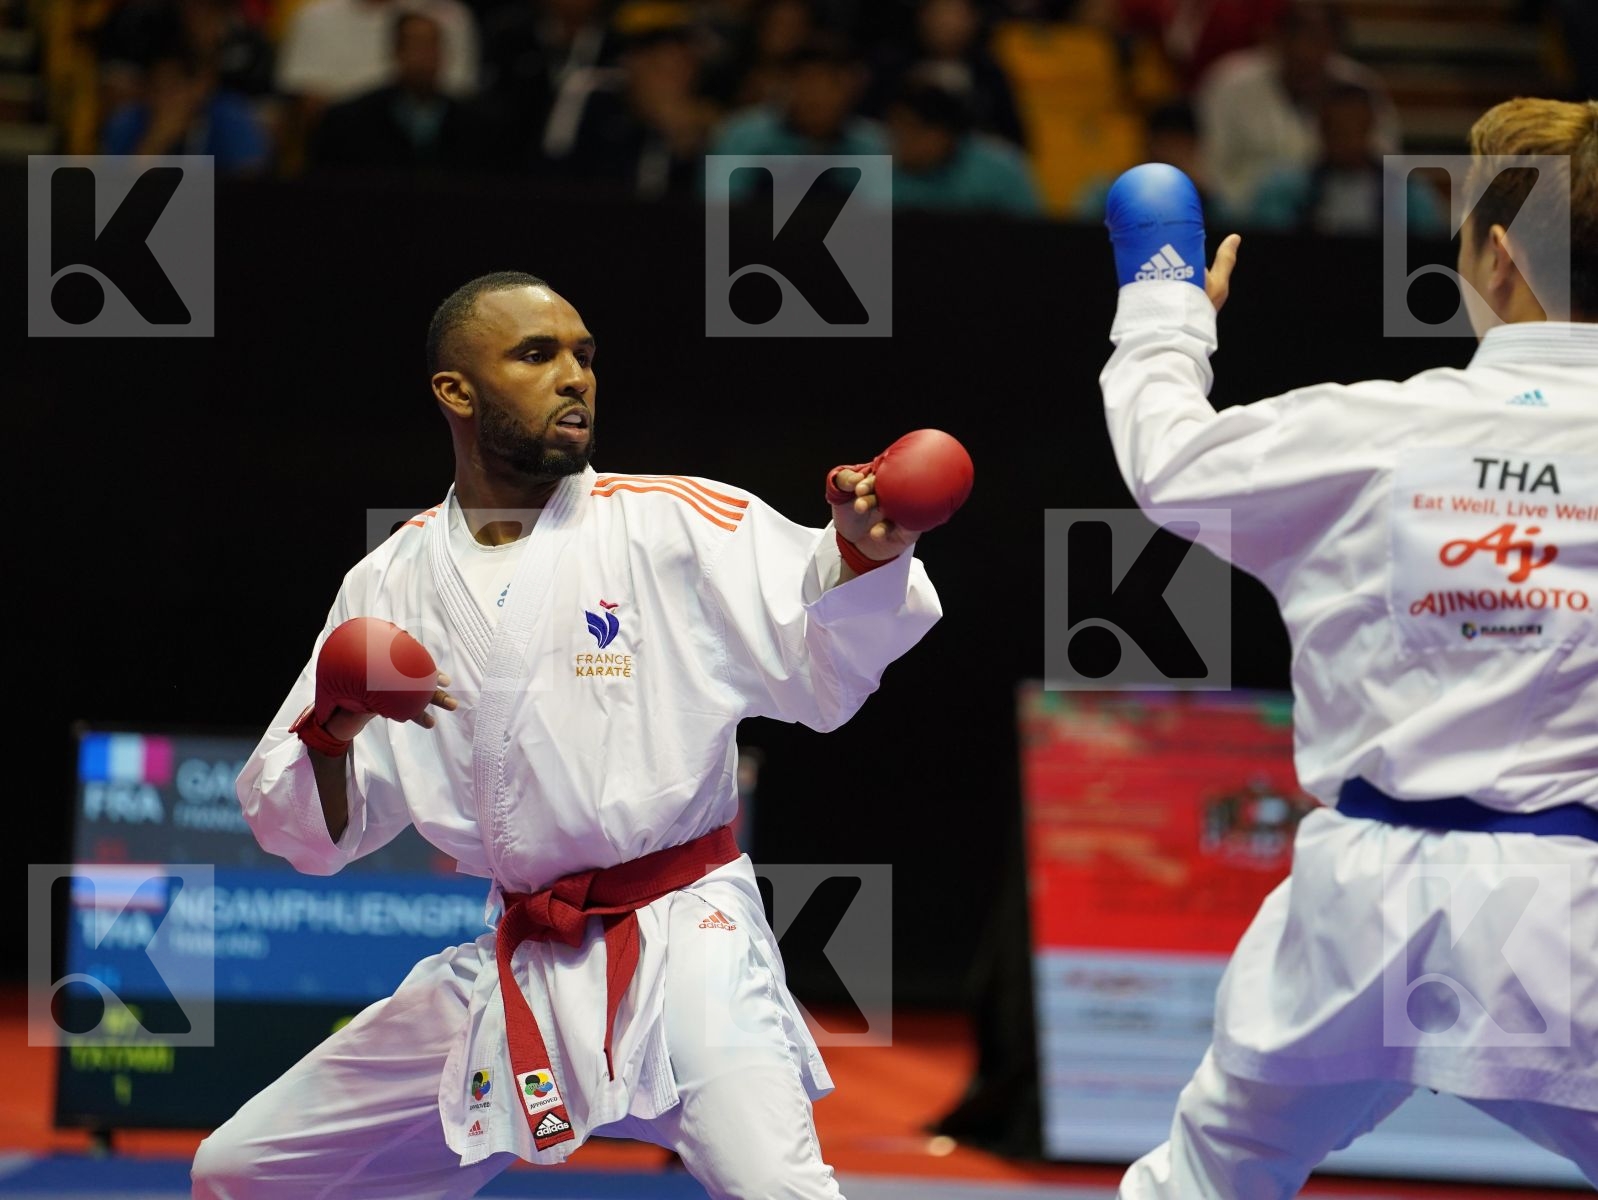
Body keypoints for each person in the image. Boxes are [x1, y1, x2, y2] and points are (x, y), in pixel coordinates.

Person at [191, 272, 941, 1199]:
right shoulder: (388, 581)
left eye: (584, 355)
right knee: (242, 1171)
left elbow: (820, 667)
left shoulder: (673, 523)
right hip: (521, 953)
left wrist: (864, 551)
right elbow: (307, 837)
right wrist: (331, 733)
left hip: (684, 943)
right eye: (537, 355)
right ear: (456, 390)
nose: (575, 376)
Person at [1101, 96, 1598, 1196]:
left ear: (1500, 256)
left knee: (1200, 1183)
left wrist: (1163, 303)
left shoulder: (1371, 429)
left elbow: (1166, 459)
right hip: (1572, 925)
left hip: (1354, 923)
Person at [1195, 0, 1399, 215]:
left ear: (1336, 44)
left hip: (1334, 218)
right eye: (1296, 36)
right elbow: (1208, 164)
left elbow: (1382, 164)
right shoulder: (1229, 84)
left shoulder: (1361, 88)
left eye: (1317, 40)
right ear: (1276, 38)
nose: (1305, 51)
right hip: (1241, 218)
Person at [309, 11, 496, 172]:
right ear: (396, 52)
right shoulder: (347, 121)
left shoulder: (477, 127)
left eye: (431, 46)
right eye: (415, 46)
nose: (423, 57)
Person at [1248, 82, 1445, 235]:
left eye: (1356, 128)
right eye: (1338, 130)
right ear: (1322, 129)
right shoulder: (1284, 190)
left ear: (1371, 128)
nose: (1347, 140)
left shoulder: (1410, 194)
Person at [885, 71, 1041, 216]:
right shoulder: (878, 167)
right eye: (894, 128)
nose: (899, 140)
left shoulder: (1000, 170)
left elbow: (1031, 231)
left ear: (945, 134)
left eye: (912, 129)